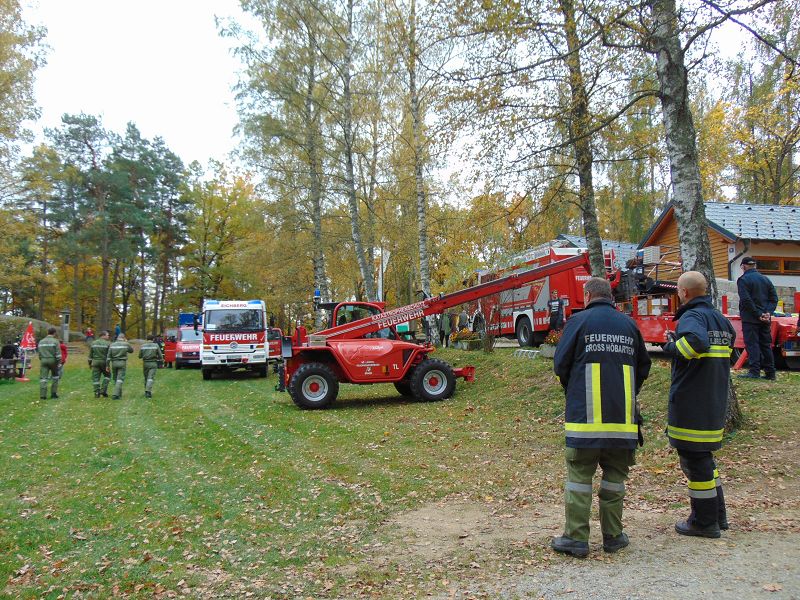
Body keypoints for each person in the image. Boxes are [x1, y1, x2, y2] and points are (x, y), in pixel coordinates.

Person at [552, 277, 651, 557]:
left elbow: (561, 364)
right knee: (614, 480)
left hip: (586, 421)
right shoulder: (629, 325)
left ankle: (576, 538)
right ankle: (614, 537)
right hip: (623, 421)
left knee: (579, 478)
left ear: (587, 295)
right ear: (610, 296)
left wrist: (571, 389)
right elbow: (644, 366)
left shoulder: (578, 322)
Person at [662, 271, 735, 538]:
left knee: (695, 461)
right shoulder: (721, 320)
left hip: (692, 401)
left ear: (684, 292)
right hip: (713, 400)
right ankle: (717, 515)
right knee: (704, 459)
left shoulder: (692, 317)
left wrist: (671, 347)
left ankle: (704, 522)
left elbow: (696, 342)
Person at [736, 257, 778, 380]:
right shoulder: (765, 279)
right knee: (766, 345)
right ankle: (771, 373)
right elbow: (774, 298)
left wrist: (757, 314)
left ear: (743, 266)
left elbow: (746, 300)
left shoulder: (743, 280)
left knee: (752, 344)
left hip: (751, 318)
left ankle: (754, 371)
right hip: (765, 319)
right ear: (754, 266)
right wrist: (768, 313)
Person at [106, 333, 133, 400]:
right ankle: (115, 394)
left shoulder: (112, 344)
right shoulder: (126, 344)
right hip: (122, 363)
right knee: (120, 379)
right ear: (123, 338)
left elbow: (108, 357)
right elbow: (131, 351)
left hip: (114, 363)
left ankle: (119, 394)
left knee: (115, 379)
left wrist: (107, 365)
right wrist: (127, 342)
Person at [37, 327, 61, 400]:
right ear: (54, 333)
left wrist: (42, 359)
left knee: (43, 378)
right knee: (55, 377)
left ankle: (43, 395)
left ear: (47, 332)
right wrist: (59, 362)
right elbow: (58, 354)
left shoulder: (41, 341)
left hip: (43, 360)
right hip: (53, 361)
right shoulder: (55, 341)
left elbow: (39, 353)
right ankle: (53, 394)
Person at [88, 330, 111, 398]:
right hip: (104, 362)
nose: (108, 336)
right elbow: (109, 355)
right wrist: (108, 364)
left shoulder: (93, 343)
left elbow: (90, 355)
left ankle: (97, 393)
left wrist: (89, 364)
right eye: (107, 335)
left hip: (95, 362)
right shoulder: (108, 343)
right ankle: (103, 390)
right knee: (108, 376)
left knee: (96, 378)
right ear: (103, 336)